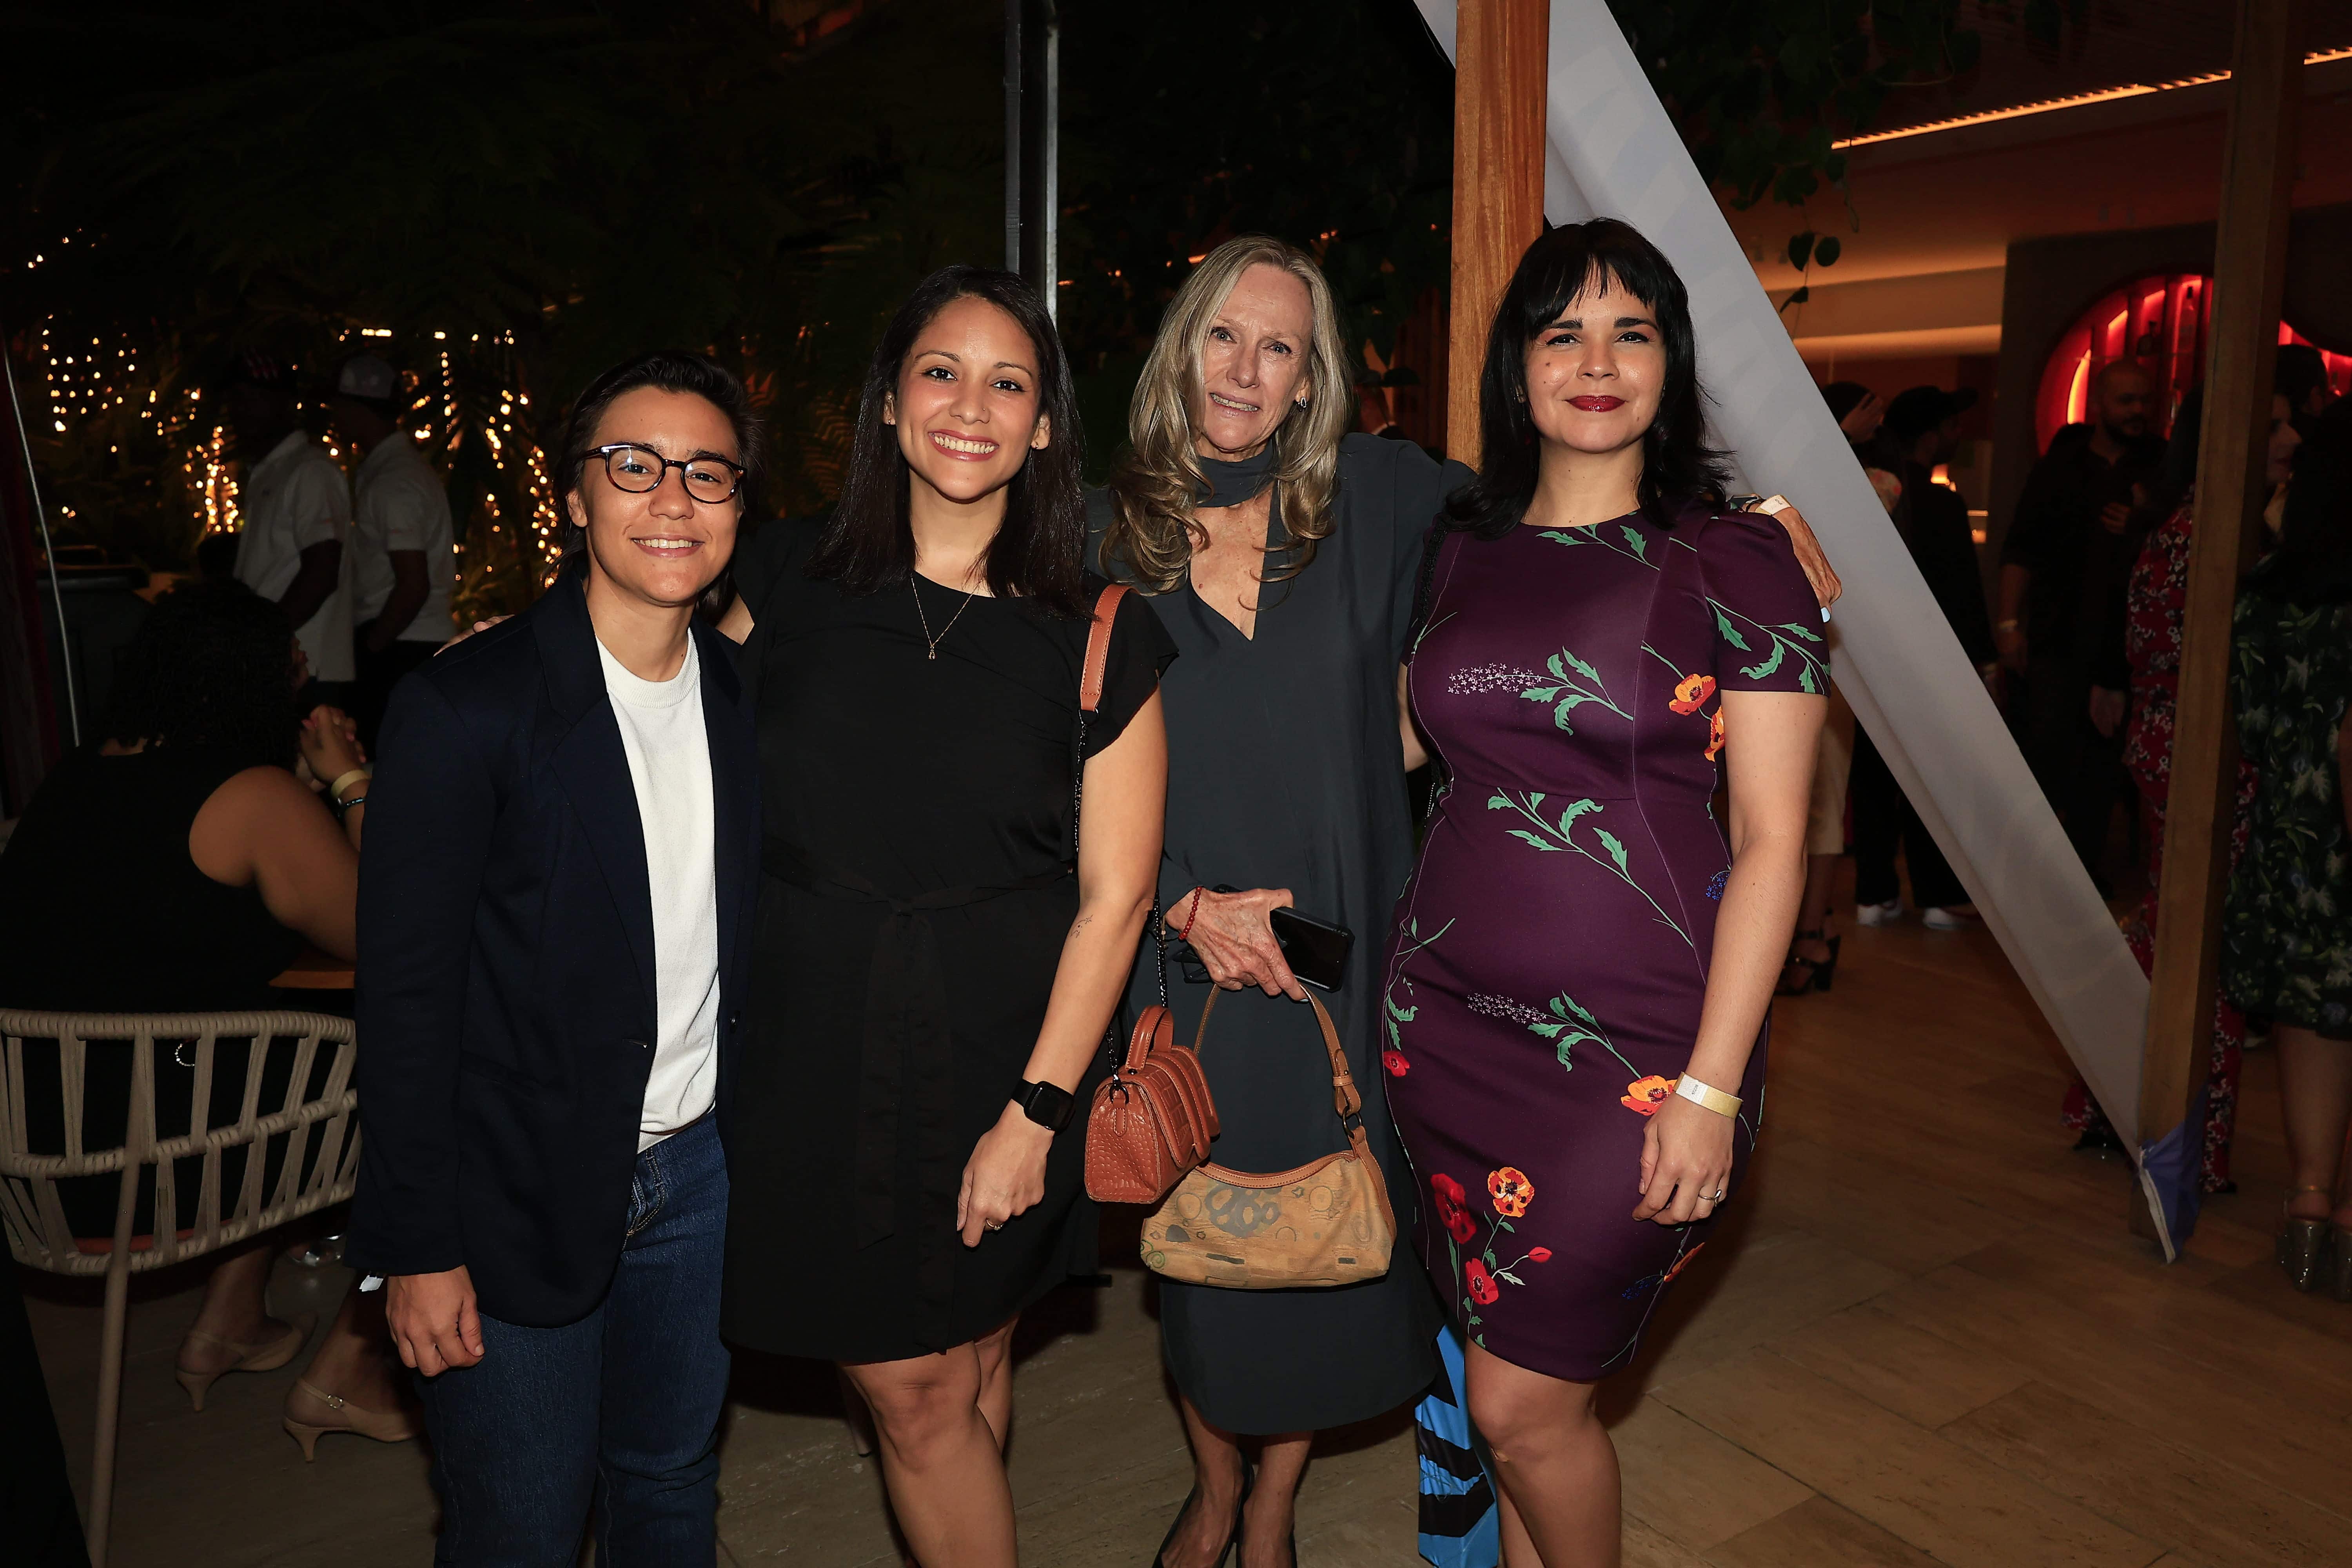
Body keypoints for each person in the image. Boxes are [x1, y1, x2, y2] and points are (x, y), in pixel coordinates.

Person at [1382, 220, 1825, 1566]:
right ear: (1517, 368)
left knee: (1520, 1406)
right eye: (1562, 331)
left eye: (1631, 331)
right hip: (1441, 1033)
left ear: (1669, 365)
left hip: (1644, 1057)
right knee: (1524, 1393)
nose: (1596, 360)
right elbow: (1398, 755)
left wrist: (1710, 1088)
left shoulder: (1735, 558)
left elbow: (1774, 842)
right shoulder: (1455, 553)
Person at [715, 267, 1170, 1568]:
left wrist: (1035, 1114)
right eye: (940, 371)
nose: (972, 405)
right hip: (807, 1041)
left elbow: (1116, 897)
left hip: (1002, 1044)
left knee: (961, 1366)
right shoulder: (781, 574)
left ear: (1043, 428)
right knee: (916, 1388)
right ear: (888, 403)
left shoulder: (1097, 629)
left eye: (1009, 382)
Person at [346, 350, 760, 1559]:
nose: (672, 499)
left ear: (740, 504)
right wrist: (417, 1245)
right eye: (633, 466)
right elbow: (408, 1002)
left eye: (707, 472)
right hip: (510, 1190)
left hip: (699, 1179)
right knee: (521, 1526)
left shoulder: (738, 696)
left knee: (671, 1479)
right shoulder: (465, 705)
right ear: (574, 496)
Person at [0, 581, 407, 1457]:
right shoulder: (255, 797)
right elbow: (392, 933)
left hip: (41, 1146)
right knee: (447, 1071)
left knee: (240, 1050)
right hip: (159, 1164)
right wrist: (347, 779)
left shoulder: (80, 771)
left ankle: (229, 1319)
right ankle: (349, 1366)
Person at [2062, 381, 2303, 1185]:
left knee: (2174, 934)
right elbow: (2174, 653)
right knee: (2202, 946)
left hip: (2188, 748)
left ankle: (2122, 1102)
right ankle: (2184, 1138)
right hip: (2200, 755)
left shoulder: (2215, 526)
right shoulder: (2211, 532)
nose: (2291, 437)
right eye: (2272, 423)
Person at [2223, 395, 2352, 1297]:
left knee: (2310, 1017)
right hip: (2340, 835)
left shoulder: (2267, 591)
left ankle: (2309, 1205)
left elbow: (2250, 723)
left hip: (2293, 840)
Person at [1997, 360, 2165, 884]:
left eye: (2144, 400)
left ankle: (2084, 882)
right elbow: (2021, 546)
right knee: (2047, 757)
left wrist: (2145, 520)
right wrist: (2007, 624)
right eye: (2126, 401)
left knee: (2102, 767)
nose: (2137, 412)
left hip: (2124, 651)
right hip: (2057, 639)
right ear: (2099, 403)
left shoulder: (2161, 470)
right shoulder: (2062, 465)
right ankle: (2035, 878)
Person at [1850, 385, 1996, 931]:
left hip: (1870, 655)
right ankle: (1936, 892)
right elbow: (1964, 595)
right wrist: (1984, 664)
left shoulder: (1866, 495)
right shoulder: (1940, 503)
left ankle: (1873, 891)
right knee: (1935, 774)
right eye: (1953, 427)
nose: (1958, 436)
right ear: (1932, 435)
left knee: (1873, 772)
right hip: (1931, 663)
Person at [330, 354, 456, 748]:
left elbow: (413, 584)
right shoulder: (396, 471)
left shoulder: (395, 481)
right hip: (405, 639)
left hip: (402, 642)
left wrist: (370, 650)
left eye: (338, 406)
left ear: (354, 408)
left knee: (386, 762)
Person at [221, 353, 359, 709]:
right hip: (281, 663)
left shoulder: (310, 471)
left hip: (309, 668)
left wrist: (268, 639)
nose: (241, 410)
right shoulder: (271, 470)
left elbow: (323, 571)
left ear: (284, 402)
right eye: (237, 399)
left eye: (254, 398)